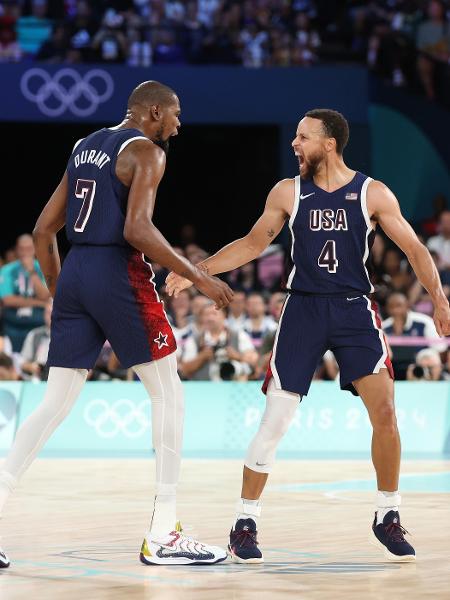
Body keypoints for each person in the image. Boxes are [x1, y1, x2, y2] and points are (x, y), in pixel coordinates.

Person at [166, 108, 450, 563]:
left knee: (385, 414)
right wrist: (196, 272)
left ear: (330, 143)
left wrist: (439, 299)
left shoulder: (371, 193)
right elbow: (252, 244)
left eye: (303, 137)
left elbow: (415, 249)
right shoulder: (288, 191)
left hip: (355, 308)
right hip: (302, 309)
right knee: (274, 421)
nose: (294, 144)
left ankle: (388, 514)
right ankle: (245, 520)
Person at [0, 80, 233, 569]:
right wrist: (200, 276)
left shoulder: (84, 146)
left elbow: (45, 229)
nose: (178, 124)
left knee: (53, 404)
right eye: (175, 113)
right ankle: (163, 533)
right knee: (169, 392)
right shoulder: (147, 152)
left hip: (78, 271)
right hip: (116, 271)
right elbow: (137, 230)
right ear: (152, 112)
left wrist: (60, 291)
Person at [0, 234, 51, 352]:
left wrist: (32, 272)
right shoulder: (7, 270)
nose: (25, 253)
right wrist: (39, 303)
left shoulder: (44, 268)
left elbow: (45, 296)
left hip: (38, 327)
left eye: (28, 249)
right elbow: (8, 300)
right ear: (17, 250)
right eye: (21, 249)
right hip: (13, 327)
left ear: (35, 249)